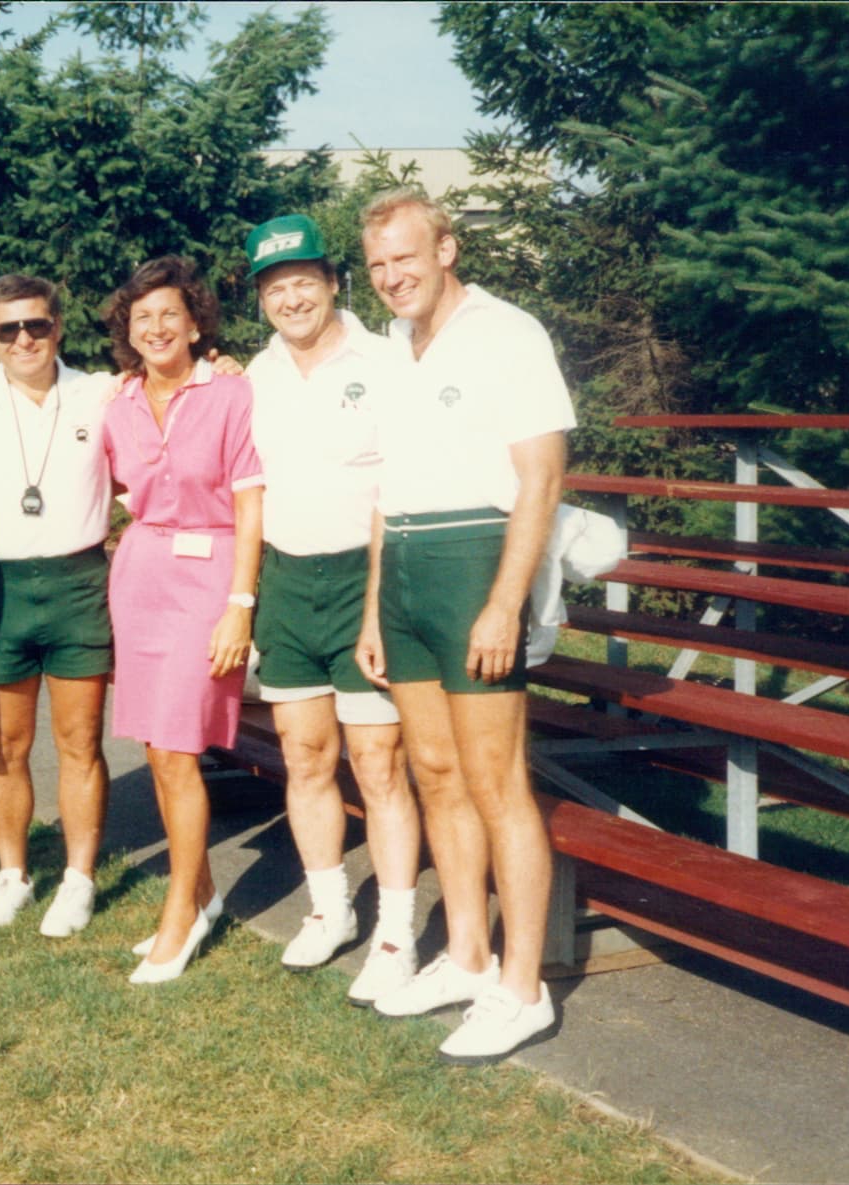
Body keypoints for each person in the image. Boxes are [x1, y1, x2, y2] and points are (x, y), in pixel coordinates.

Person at [354, 187, 574, 1063]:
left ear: (446, 248)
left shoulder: (507, 334)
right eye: (375, 265)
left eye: (404, 258)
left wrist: (503, 599)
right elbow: (386, 493)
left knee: (495, 779)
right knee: (435, 772)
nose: (390, 278)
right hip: (406, 568)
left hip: (474, 562)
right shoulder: (396, 349)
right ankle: (470, 957)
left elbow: (542, 480)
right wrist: (375, 604)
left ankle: (523, 987)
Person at [240, 215, 422, 1000]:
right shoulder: (253, 374)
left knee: (377, 763)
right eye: (275, 287)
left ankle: (396, 932)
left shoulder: (386, 361)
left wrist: (379, 606)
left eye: (303, 281)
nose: (291, 298)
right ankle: (329, 909)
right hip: (286, 582)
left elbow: (402, 487)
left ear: (333, 281)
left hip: (365, 580)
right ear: (261, 298)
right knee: (305, 756)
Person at [101, 255, 263, 984]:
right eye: (142, 318)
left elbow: (251, 503)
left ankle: (179, 915)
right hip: (139, 573)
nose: (157, 327)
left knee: (177, 746)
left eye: (170, 313)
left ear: (196, 322)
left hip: (209, 578)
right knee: (156, 745)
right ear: (126, 331)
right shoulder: (117, 403)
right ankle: (198, 894)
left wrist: (240, 604)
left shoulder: (232, 394)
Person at [0, 275, 114, 938]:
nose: (24, 339)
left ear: (58, 326)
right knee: (5, 743)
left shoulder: (101, 391)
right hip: (0, 588)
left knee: (79, 742)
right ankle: (12, 874)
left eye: (37, 325)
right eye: (7, 329)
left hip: (79, 583)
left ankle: (78, 878)